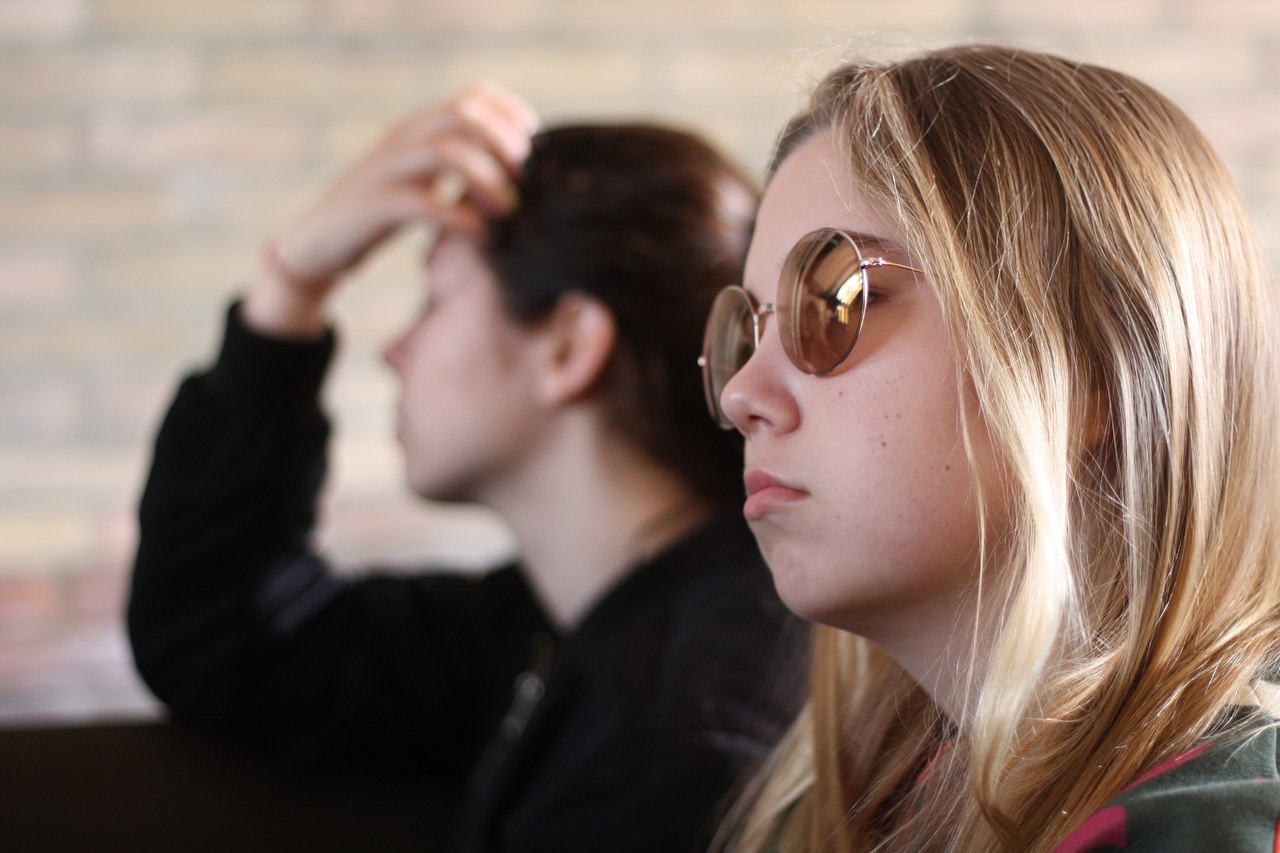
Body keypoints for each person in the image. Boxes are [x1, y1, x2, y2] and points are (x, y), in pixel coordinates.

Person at [128, 84, 803, 852]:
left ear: (568, 346)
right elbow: (224, 635)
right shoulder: (554, 624)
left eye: (434, 301)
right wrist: (293, 283)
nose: (393, 350)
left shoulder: (687, 732)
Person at [698, 45, 1280, 851]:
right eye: (748, 329)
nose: (740, 394)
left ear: (1087, 371)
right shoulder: (888, 800)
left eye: (836, 301)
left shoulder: (1213, 830)